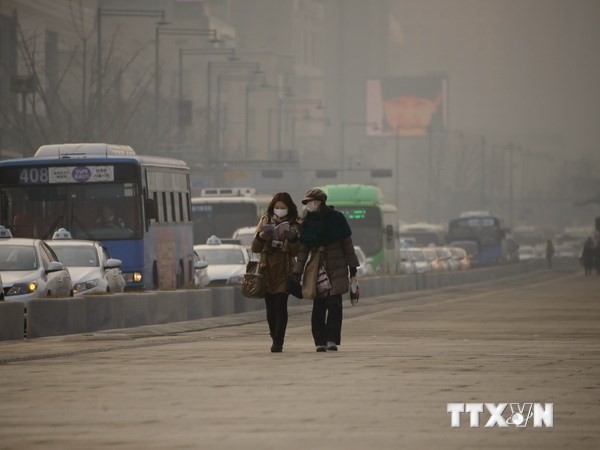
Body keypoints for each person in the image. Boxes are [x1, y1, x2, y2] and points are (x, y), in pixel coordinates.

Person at [293, 187, 359, 352]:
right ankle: (319, 341)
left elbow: (348, 245)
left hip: (337, 268)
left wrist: (353, 267)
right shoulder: (306, 223)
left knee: (335, 305)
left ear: (319, 202)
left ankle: (332, 339)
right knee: (319, 306)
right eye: (307, 203)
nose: (309, 205)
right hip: (317, 269)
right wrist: (297, 272)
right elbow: (303, 252)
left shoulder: (337, 219)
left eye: (311, 202)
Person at [251, 192, 300, 353]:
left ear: (289, 208)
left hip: (284, 269)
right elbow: (255, 248)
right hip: (267, 269)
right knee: (270, 307)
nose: (279, 210)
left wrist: (292, 238)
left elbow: (296, 252)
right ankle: (273, 334)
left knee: (280, 304)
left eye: (283, 207)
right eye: (277, 207)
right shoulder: (265, 220)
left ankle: (279, 341)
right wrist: (261, 236)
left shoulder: (294, 223)